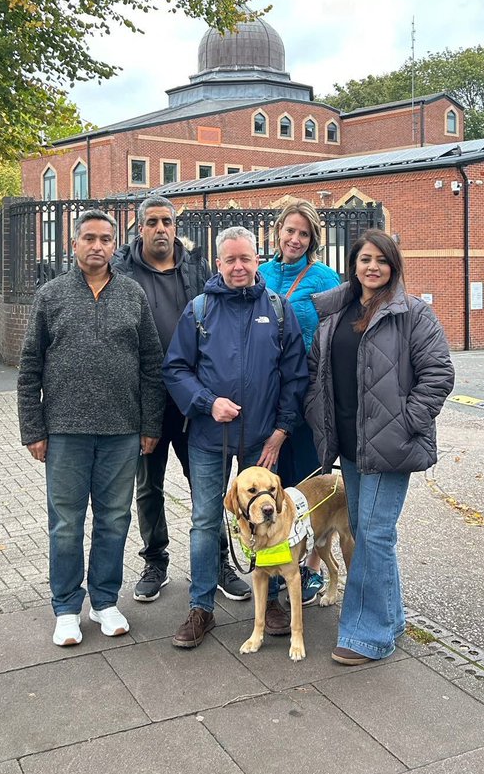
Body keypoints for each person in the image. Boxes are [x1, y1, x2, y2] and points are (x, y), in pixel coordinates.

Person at [305, 229, 454, 665]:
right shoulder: (336, 311)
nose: (373, 267)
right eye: (365, 259)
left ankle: (368, 636)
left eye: (382, 260)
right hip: (350, 446)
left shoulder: (414, 314)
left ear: (393, 266)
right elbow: (317, 370)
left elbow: (439, 375)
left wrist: (405, 424)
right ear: (353, 264)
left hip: (390, 447)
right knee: (369, 531)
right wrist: (318, 413)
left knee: (373, 534)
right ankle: (391, 619)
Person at [17, 209, 164, 647]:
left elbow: (151, 363)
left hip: (123, 430)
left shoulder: (132, 294)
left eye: (105, 239)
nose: (97, 246)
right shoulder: (51, 295)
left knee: (114, 520)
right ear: (74, 243)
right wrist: (33, 429)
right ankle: (66, 608)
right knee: (66, 523)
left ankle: (104, 601)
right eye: (89, 238)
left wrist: (150, 423)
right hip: (65, 432)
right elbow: (29, 366)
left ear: (115, 245)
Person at [163, 225, 309, 649]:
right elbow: (175, 368)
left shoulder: (278, 310)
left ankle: (274, 599)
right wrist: (207, 402)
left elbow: (295, 375)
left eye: (246, 258)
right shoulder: (199, 309)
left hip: (262, 440)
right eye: (231, 260)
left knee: (271, 517)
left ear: (257, 260)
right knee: (205, 520)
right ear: (219, 263)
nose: (239, 266)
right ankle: (201, 607)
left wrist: (281, 431)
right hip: (208, 438)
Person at [112, 196, 250, 604]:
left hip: (194, 399)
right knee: (148, 487)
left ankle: (218, 562)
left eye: (167, 222)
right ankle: (155, 561)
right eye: (152, 222)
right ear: (140, 228)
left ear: (175, 227)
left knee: (206, 487)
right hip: (145, 399)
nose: (160, 229)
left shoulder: (196, 267)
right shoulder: (122, 271)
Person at [261, 200, 340, 617]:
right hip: (268, 394)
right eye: (290, 230)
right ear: (278, 231)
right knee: (273, 481)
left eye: (303, 234)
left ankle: (310, 566)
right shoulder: (261, 273)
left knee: (308, 483)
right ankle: (274, 561)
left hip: (310, 394)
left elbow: (339, 334)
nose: (295, 239)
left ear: (313, 239)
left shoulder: (325, 278)